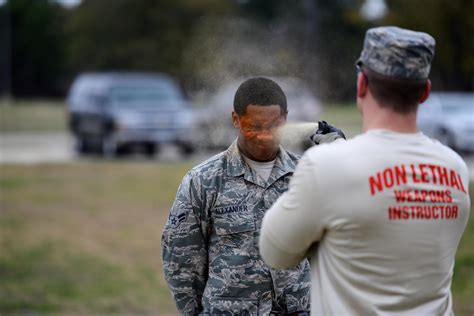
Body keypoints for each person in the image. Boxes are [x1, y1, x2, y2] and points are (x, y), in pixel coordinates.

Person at [259, 26, 471, 315]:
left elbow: (274, 252)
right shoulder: (455, 169)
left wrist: (319, 166)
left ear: (361, 85)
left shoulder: (326, 166)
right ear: (425, 93)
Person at [161, 77, 344, 315]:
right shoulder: (203, 181)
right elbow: (182, 263)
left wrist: (340, 158)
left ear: (285, 119)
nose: (264, 136)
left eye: (273, 126)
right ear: (235, 119)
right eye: (254, 126)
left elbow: (341, 239)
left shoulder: (308, 175)